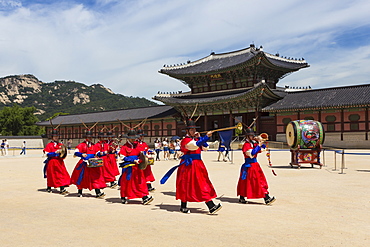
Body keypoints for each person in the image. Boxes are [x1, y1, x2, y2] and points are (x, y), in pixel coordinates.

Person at [160, 120, 222, 214]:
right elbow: (194, 146)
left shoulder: (195, 139)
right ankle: (210, 205)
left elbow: (205, 147)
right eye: (191, 129)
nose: (193, 131)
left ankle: (206, 205)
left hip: (197, 164)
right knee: (189, 184)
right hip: (189, 165)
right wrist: (206, 137)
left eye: (194, 129)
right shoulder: (186, 140)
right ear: (187, 131)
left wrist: (200, 138)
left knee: (201, 183)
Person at [237, 128, 276, 205]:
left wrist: (260, 141)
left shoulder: (253, 143)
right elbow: (252, 154)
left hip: (255, 165)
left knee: (258, 180)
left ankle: (265, 197)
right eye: (250, 136)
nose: (252, 137)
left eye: (252, 135)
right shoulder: (246, 145)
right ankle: (266, 198)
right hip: (249, 165)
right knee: (254, 181)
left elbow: (263, 148)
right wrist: (258, 144)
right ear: (247, 136)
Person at [118, 129, 153, 205]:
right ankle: (123, 197)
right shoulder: (124, 147)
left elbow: (141, 154)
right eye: (132, 138)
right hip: (128, 168)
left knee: (141, 181)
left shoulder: (137, 145)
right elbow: (122, 157)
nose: (134, 140)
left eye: (134, 138)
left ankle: (144, 197)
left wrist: (144, 157)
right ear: (128, 138)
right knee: (127, 183)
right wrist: (133, 160)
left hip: (137, 167)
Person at [70, 130, 106, 198]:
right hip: (84, 163)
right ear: (86, 137)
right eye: (89, 137)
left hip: (92, 164)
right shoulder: (81, 145)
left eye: (91, 137)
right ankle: (80, 191)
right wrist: (81, 154)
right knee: (82, 177)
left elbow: (97, 153)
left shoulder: (94, 145)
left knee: (95, 178)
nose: (90, 138)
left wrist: (101, 153)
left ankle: (98, 192)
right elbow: (76, 152)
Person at [43, 129, 70, 194]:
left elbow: (64, 152)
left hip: (60, 162)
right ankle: (49, 187)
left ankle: (62, 188)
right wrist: (55, 153)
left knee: (61, 174)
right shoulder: (49, 145)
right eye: (55, 136)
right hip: (52, 161)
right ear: (52, 137)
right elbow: (46, 154)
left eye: (57, 136)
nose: (56, 138)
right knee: (51, 175)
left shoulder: (60, 144)